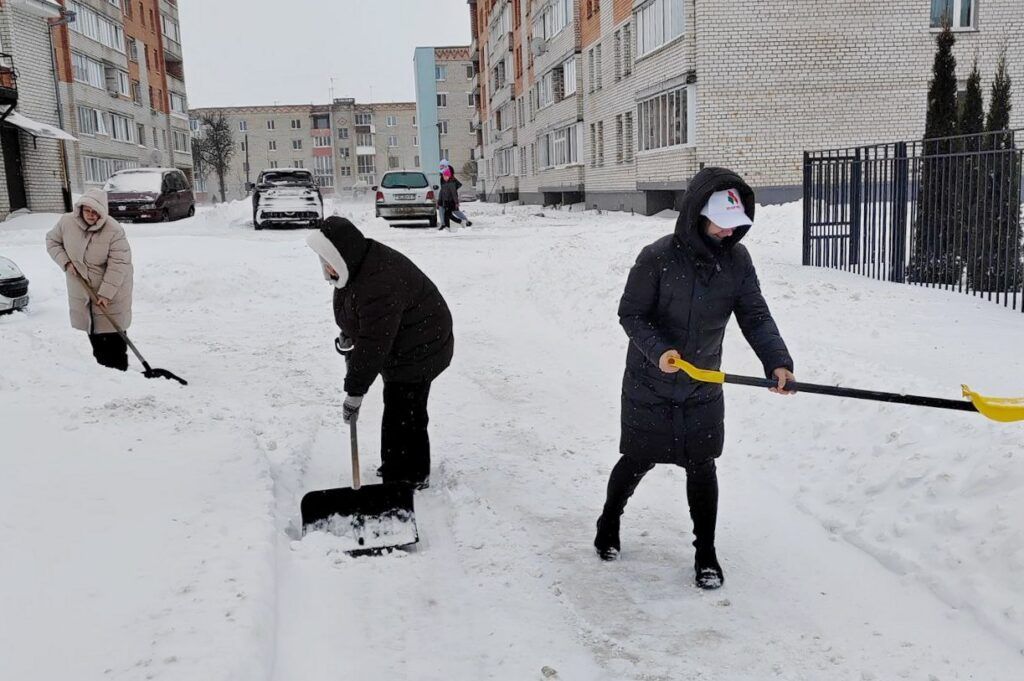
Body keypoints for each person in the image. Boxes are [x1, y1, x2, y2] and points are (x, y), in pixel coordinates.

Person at [595, 167, 795, 590]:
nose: (728, 233)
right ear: (698, 215)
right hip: (650, 380)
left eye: (735, 225)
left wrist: (776, 361)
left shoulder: (737, 262)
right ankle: (609, 520)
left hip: (702, 382)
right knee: (637, 459)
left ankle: (706, 552)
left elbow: (755, 315)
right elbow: (630, 314)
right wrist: (659, 351)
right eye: (722, 223)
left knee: (702, 466)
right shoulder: (658, 257)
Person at [306, 217, 454, 489]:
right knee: (398, 404)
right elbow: (360, 315)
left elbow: (375, 342)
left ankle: (410, 476)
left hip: (422, 344)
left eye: (327, 260)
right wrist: (350, 335)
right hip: (401, 339)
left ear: (341, 255)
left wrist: (354, 393)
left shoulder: (378, 282)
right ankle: (397, 468)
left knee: (406, 407)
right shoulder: (354, 268)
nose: (325, 267)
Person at [46, 188, 134, 371]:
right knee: (94, 334)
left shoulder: (114, 230)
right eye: (88, 211)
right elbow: (52, 241)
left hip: (112, 290)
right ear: (81, 209)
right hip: (82, 290)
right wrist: (66, 262)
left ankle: (121, 375)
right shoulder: (66, 222)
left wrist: (106, 294)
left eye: (96, 212)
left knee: (113, 338)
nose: (91, 216)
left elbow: (119, 264)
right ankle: (104, 375)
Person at [437, 164, 472, 230]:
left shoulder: (452, 181)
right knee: (443, 212)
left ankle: (465, 221)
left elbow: (454, 191)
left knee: (453, 212)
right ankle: (444, 225)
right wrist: (439, 199)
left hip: (450, 200)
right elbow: (442, 190)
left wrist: (456, 202)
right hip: (443, 199)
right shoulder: (442, 179)